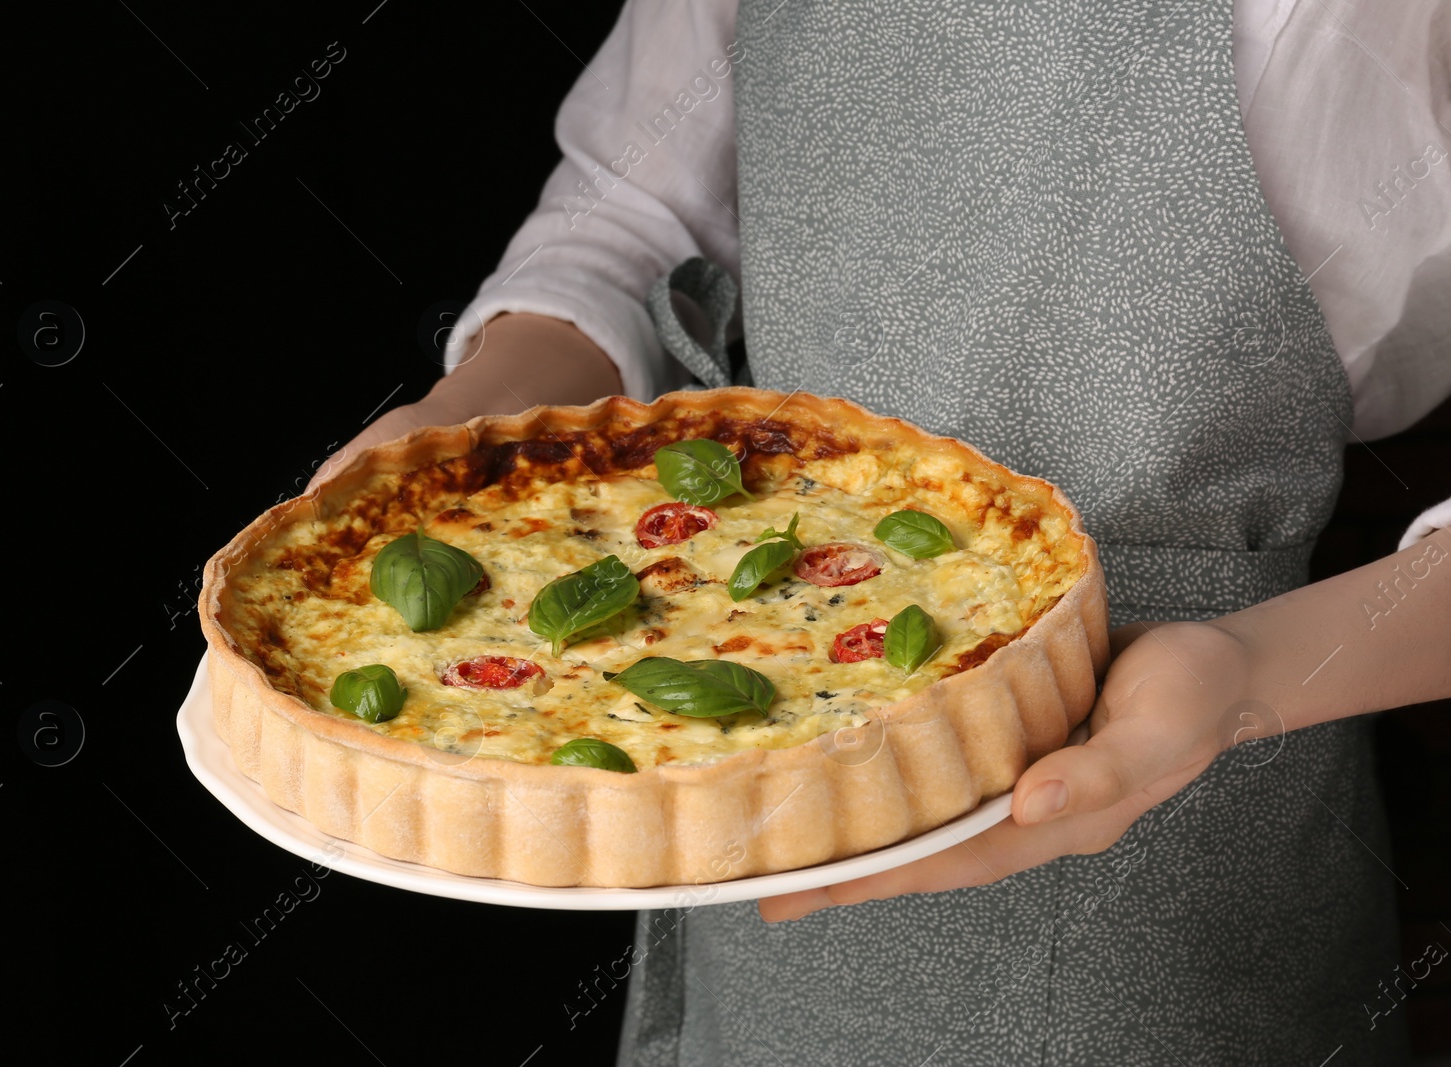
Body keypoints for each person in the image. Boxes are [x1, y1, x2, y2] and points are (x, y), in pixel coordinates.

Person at [317, 0, 1451, 1062]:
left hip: (1185, 861)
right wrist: (461, 439)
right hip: (730, 734)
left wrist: (1249, 670)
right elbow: (632, 211)